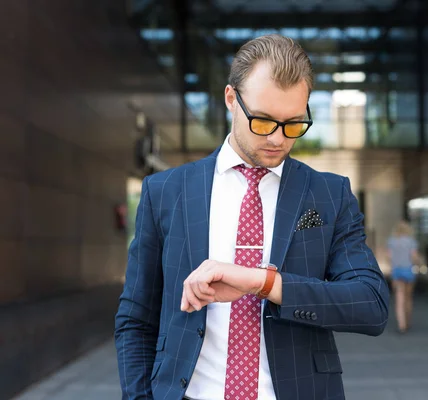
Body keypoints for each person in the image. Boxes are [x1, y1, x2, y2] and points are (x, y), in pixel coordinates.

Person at [114, 34, 389, 400]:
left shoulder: (329, 194)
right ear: (231, 99)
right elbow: (136, 320)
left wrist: (262, 282)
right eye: (263, 121)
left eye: (293, 124)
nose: (278, 139)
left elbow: (370, 305)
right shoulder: (165, 192)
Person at [387, 220, 419, 333]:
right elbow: (414, 256)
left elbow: (389, 257)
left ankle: (401, 324)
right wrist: (418, 264)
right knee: (408, 298)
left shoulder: (391, 241)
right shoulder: (411, 241)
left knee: (399, 298)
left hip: (396, 270)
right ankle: (408, 320)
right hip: (408, 270)